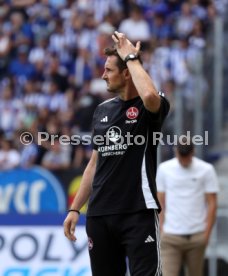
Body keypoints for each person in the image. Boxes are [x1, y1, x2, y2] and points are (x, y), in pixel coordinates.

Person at [63, 31, 170, 276]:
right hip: (99, 215)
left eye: (109, 70)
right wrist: (74, 208)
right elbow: (94, 164)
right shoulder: (102, 110)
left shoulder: (150, 105)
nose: (102, 76)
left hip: (138, 212)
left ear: (125, 73)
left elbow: (151, 96)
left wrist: (131, 57)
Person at [156, 139, 219, 276]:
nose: (184, 161)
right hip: (170, 237)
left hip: (196, 236)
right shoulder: (164, 169)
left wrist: (206, 235)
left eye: (187, 156)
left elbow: (212, 203)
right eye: (181, 156)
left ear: (193, 152)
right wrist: (161, 229)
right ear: (176, 152)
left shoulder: (206, 170)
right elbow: (160, 201)